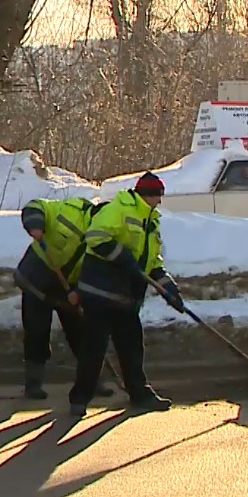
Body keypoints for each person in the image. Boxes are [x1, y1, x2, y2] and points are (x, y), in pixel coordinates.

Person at [69, 171, 185, 416]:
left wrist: (169, 288)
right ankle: (80, 398)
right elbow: (96, 236)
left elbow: (151, 263)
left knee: (132, 347)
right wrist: (121, 256)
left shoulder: (150, 223)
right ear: (148, 195)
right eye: (158, 197)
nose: (160, 202)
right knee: (94, 348)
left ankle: (140, 394)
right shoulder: (119, 208)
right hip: (100, 293)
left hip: (126, 298)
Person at [14, 195, 115, 400]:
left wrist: (79, 292)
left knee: (82, 334)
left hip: (68, 290)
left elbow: (97, 270)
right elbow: (36, 205)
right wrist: (35, 223)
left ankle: (92, 381)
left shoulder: (105, 236)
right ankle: (33, 385)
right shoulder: (71, 211)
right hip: (36, 282)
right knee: (37, 332)